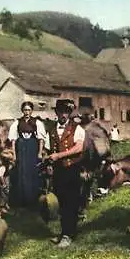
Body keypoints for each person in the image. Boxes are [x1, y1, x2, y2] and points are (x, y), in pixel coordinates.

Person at [47, 99, 86, 248]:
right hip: (58, 171)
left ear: (69, 113)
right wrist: (50, 162)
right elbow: (50, 150)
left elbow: (79, 148)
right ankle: (65, 232)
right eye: (61, 111)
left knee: (71, 202)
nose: (64, 115)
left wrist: (59, 156)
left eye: (67, 112)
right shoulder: (51, 130)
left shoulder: (77, 128)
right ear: (56, 113)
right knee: (61, 202)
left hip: (72, 169)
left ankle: (68, 234)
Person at [7, 101, 46, 208]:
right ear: (22, 111)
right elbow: (13, 140)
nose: (27, 112)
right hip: (21, 149)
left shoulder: (37, 122)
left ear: (32, 111)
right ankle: (21, 200)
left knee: (32, 173)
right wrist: (14, 154)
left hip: (32, 148)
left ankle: (32, 200)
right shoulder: (17, 123)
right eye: (25, 110)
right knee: (21, 173)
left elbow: (41, 139)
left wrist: (39, 153)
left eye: (29, 110)